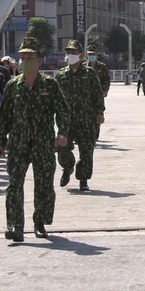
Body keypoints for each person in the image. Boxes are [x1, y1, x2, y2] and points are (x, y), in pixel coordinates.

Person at [0, 38, 69, 242]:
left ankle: (40, 221)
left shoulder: (50, 84)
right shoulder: (13, 86)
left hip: (43, 142)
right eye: (22, 57)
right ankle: (15, 225)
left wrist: (62, 132)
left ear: (39, 61)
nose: (25, 60)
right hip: (18, 143)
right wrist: (1, 141)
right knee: (14, 184)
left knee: (44, 183)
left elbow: (63, 109)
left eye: (30, 57)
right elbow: (4, 116)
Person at [56, 41, 105, 192]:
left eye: (73, 52)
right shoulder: (61, 75)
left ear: (80, 55)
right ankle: (68, 166)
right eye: (68, 52)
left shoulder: (90, 74)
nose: (70, 55)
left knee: (87, 150)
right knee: (62, 148)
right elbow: (56, 98)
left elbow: (97, 94)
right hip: (66, 120)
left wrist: (100, 112)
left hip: (86, 119)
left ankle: (83, 179)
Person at [87, 45, 110, 140]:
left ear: (96, 55)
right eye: (90, 54)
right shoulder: (83, 66)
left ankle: (95, 136)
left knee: (98, 115)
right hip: (85, 95)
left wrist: (104, 90)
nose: (91, 56)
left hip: (98, 96)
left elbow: (106, 80)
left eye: (93, 54)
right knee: (85, 116)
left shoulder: (102, 67)